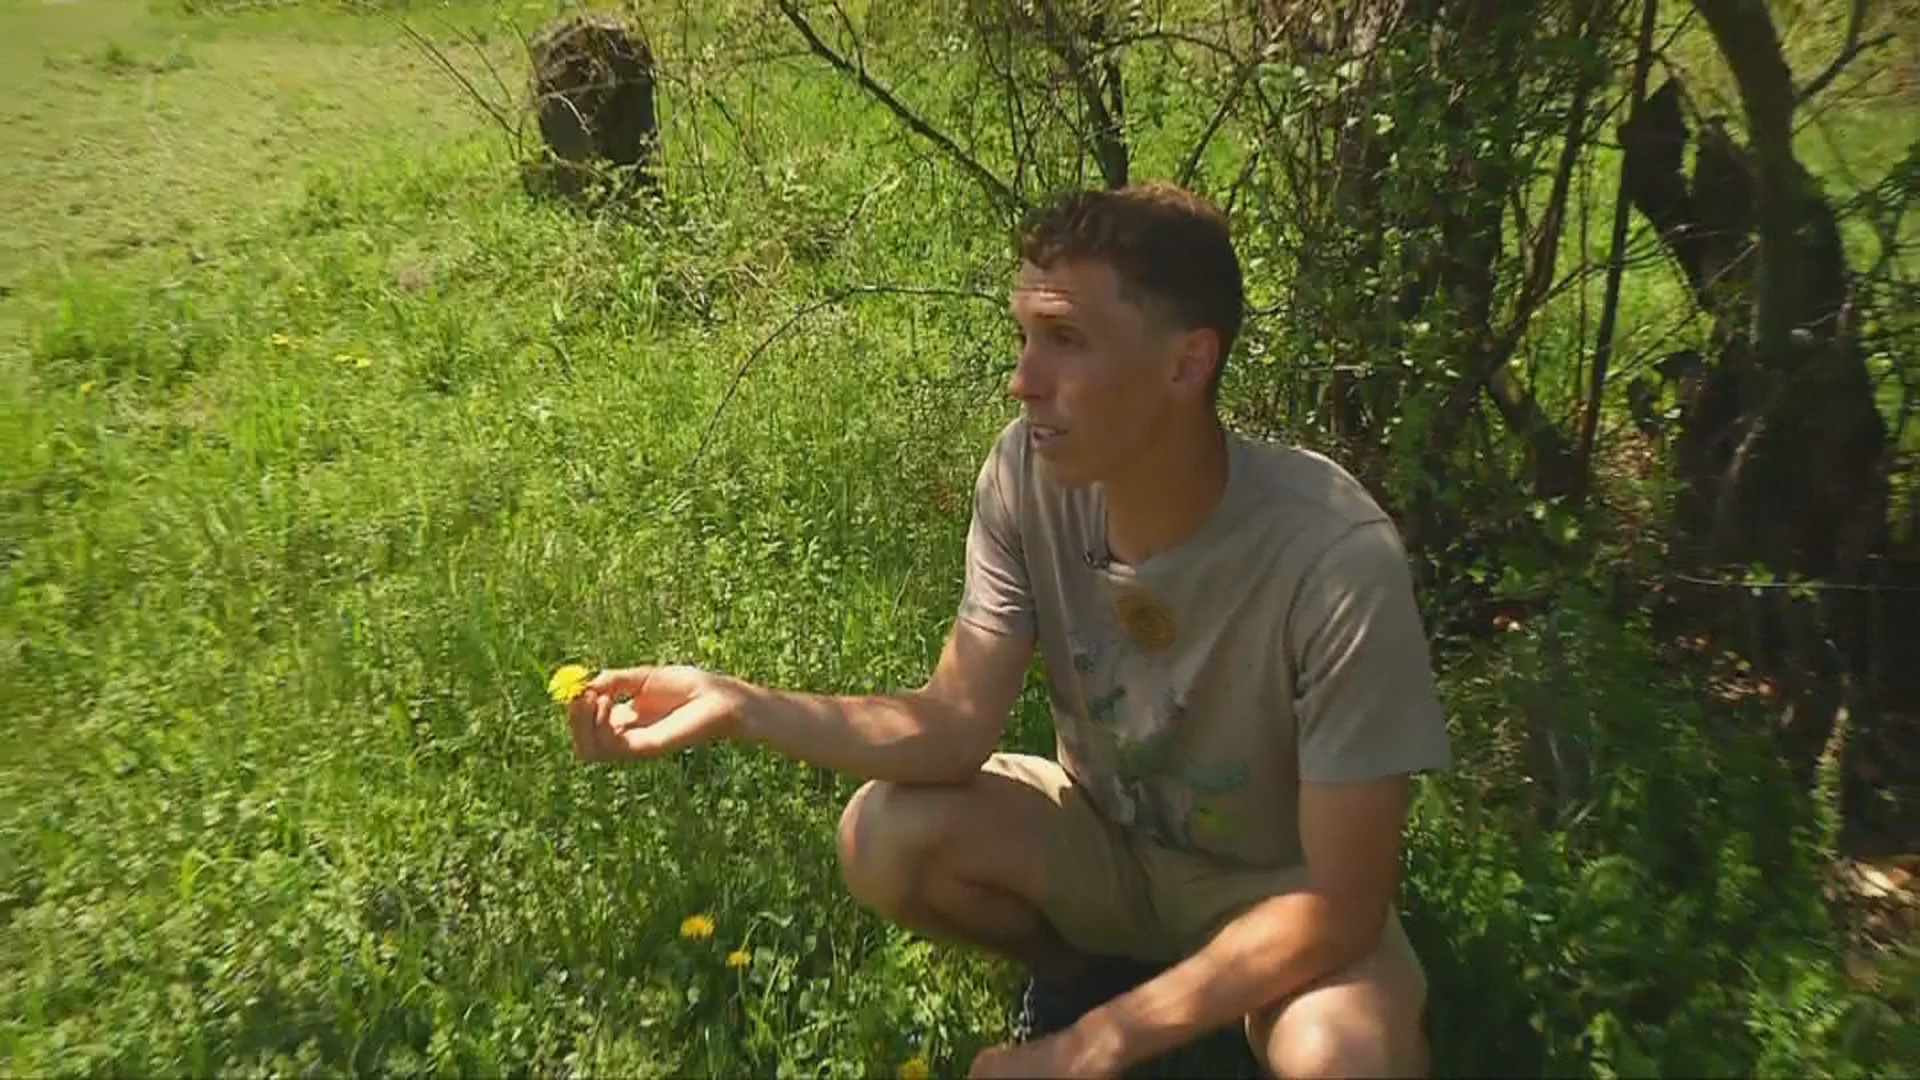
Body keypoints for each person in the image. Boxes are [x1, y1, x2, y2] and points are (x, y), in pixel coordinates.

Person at [563, 181, 1453, 1078]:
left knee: (1348, 1058)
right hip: (1107, 844)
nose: (1023, 379)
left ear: (1186, 365)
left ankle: (1132, 1015)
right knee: (884, 836)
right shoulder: (1027, 475)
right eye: (1024, 336)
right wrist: (736, 704)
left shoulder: (1333, 555)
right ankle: (1076, 976)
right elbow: (952, 726)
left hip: (1276, 892)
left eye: (1065, 340)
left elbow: (1341, 905)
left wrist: (1090, 1050)